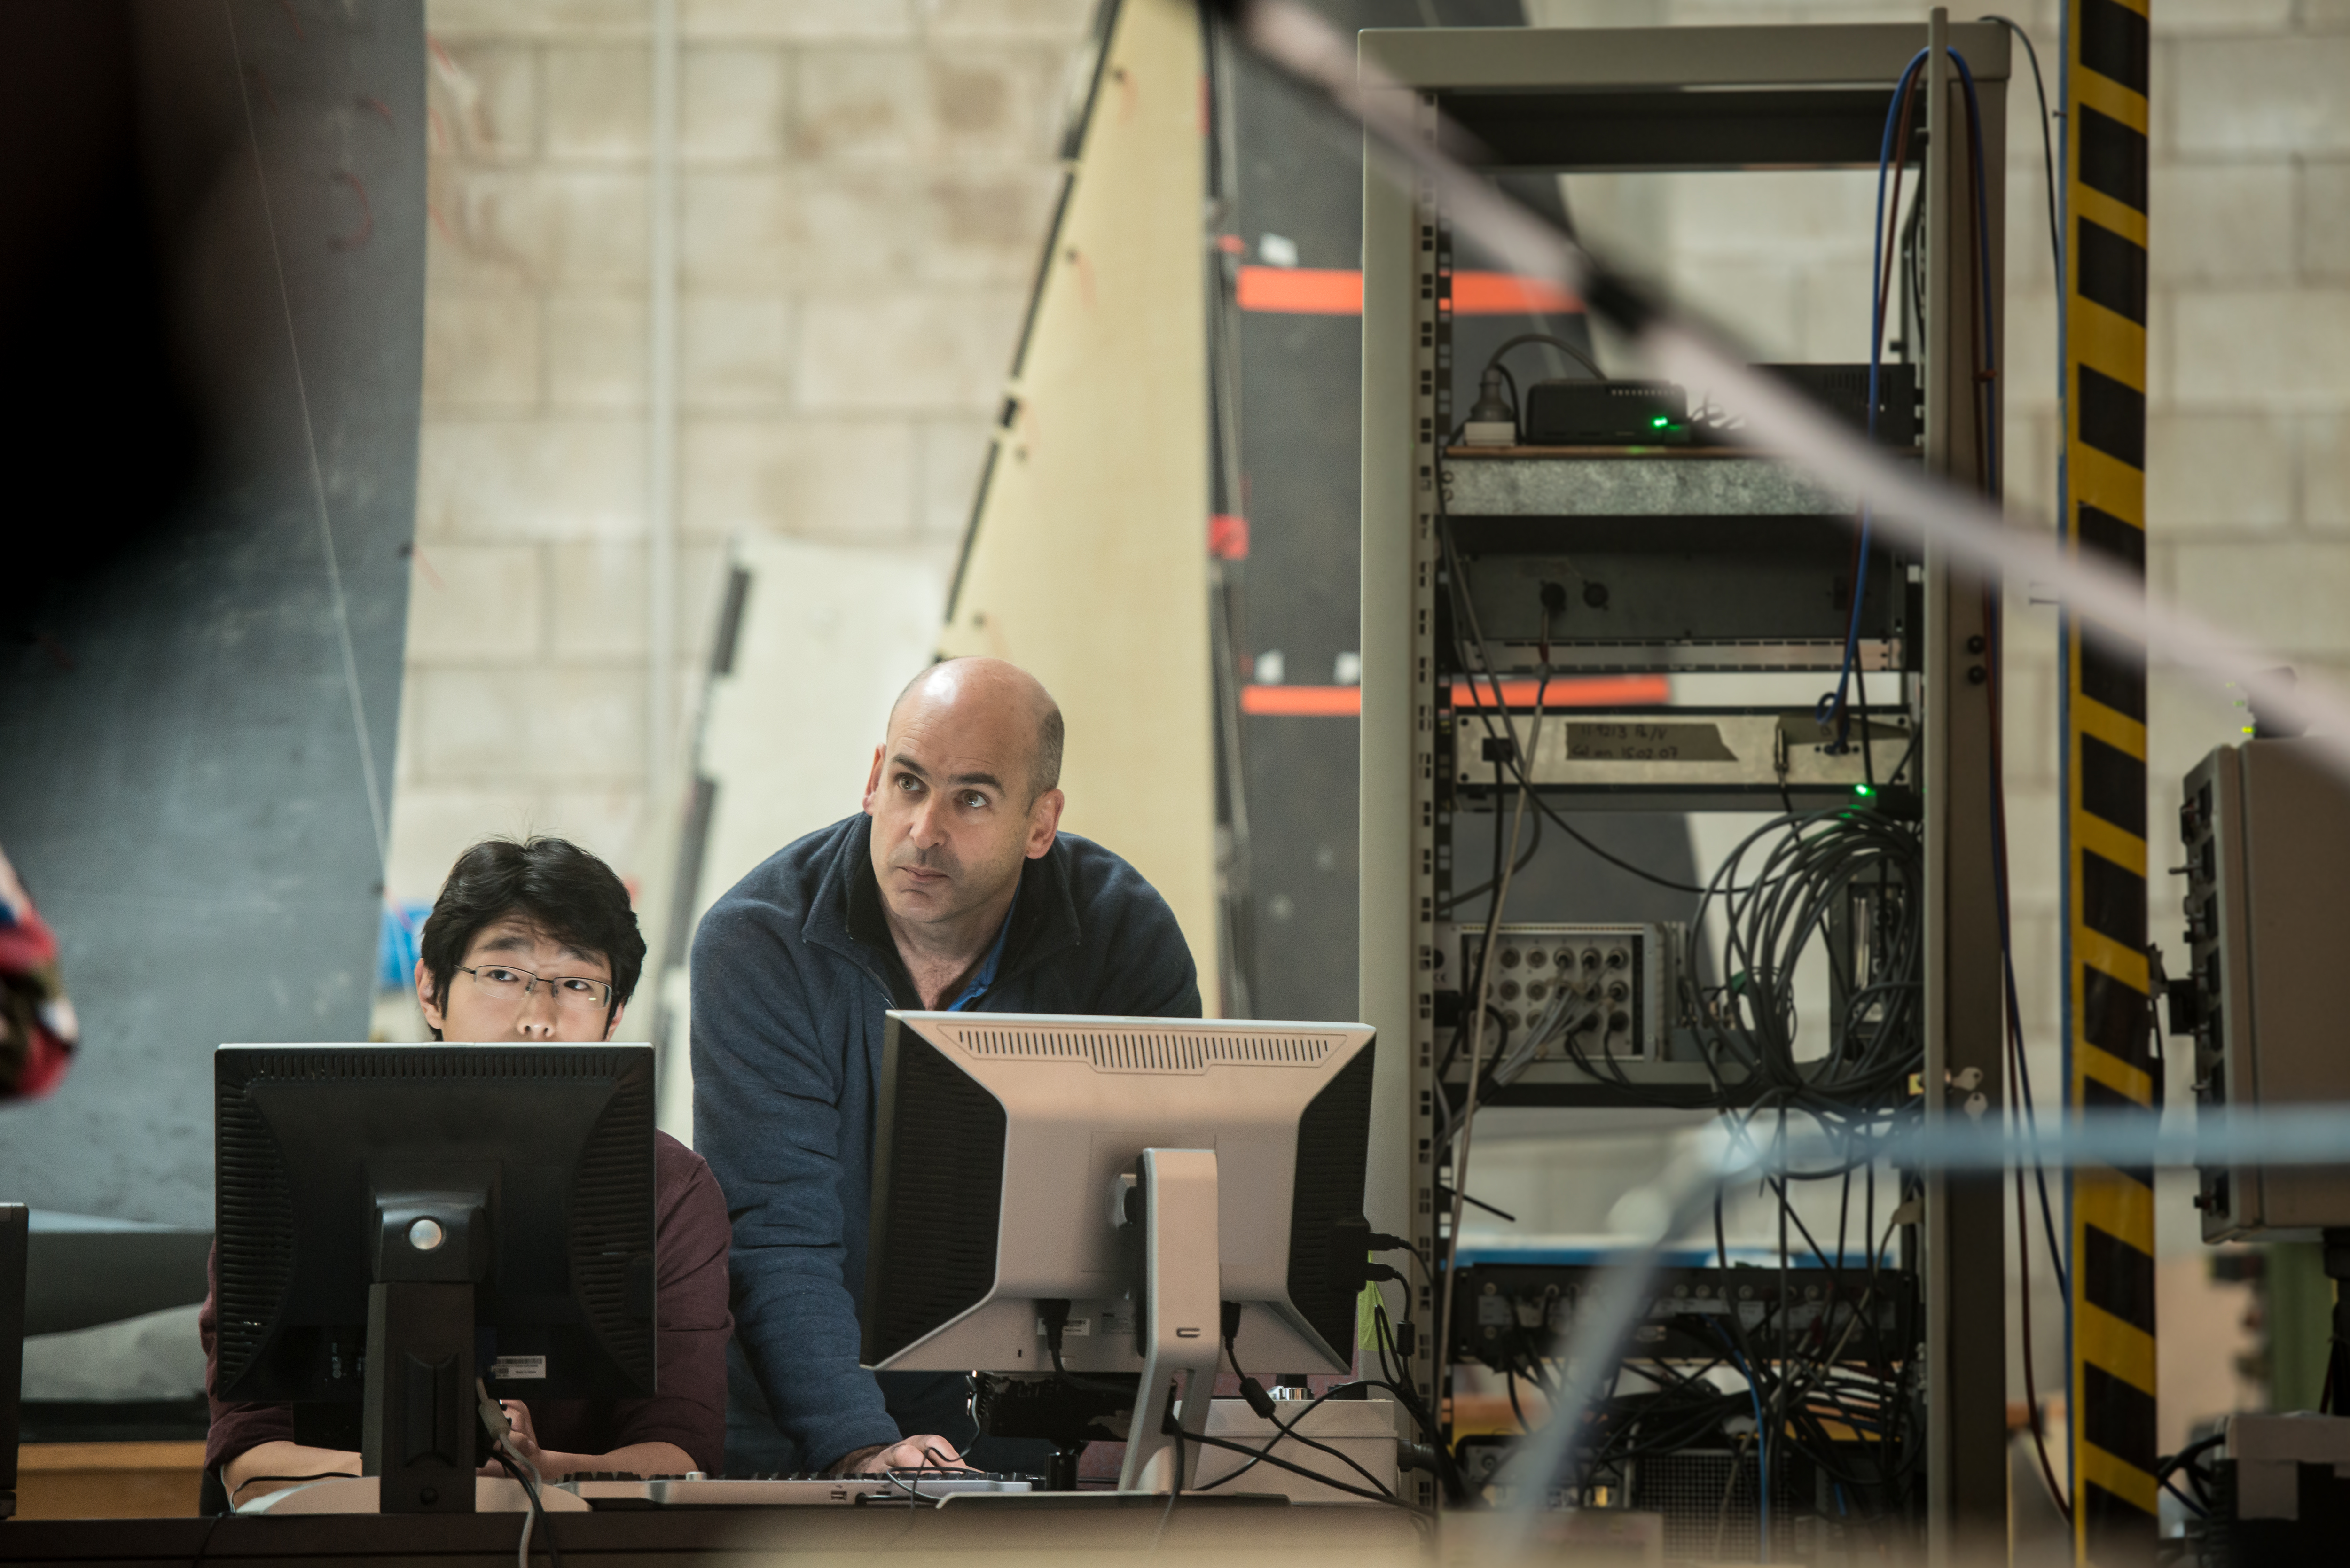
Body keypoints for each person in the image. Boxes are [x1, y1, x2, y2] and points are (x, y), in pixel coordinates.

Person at [693, 657, 1200, 1476]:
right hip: (801, 1437)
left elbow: (1164, 1215)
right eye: (907, 782)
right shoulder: (759, 943)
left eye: (970, 798)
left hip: (1040, 1436)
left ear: (1042, 823)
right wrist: (860, 1445)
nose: (924, 830)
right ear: (871, 780)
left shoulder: (1122, 936)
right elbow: (779, 1233)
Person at [199, 837, 732, 1509]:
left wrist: (540, 1467)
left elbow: (682, 1452)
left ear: (615, 1015)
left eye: (577, 984)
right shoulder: (292, 1161)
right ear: (430, 989)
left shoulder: (671, 1190)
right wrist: (425, 1472)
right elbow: (249, 1456)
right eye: (503, 975)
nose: (538, 1018)